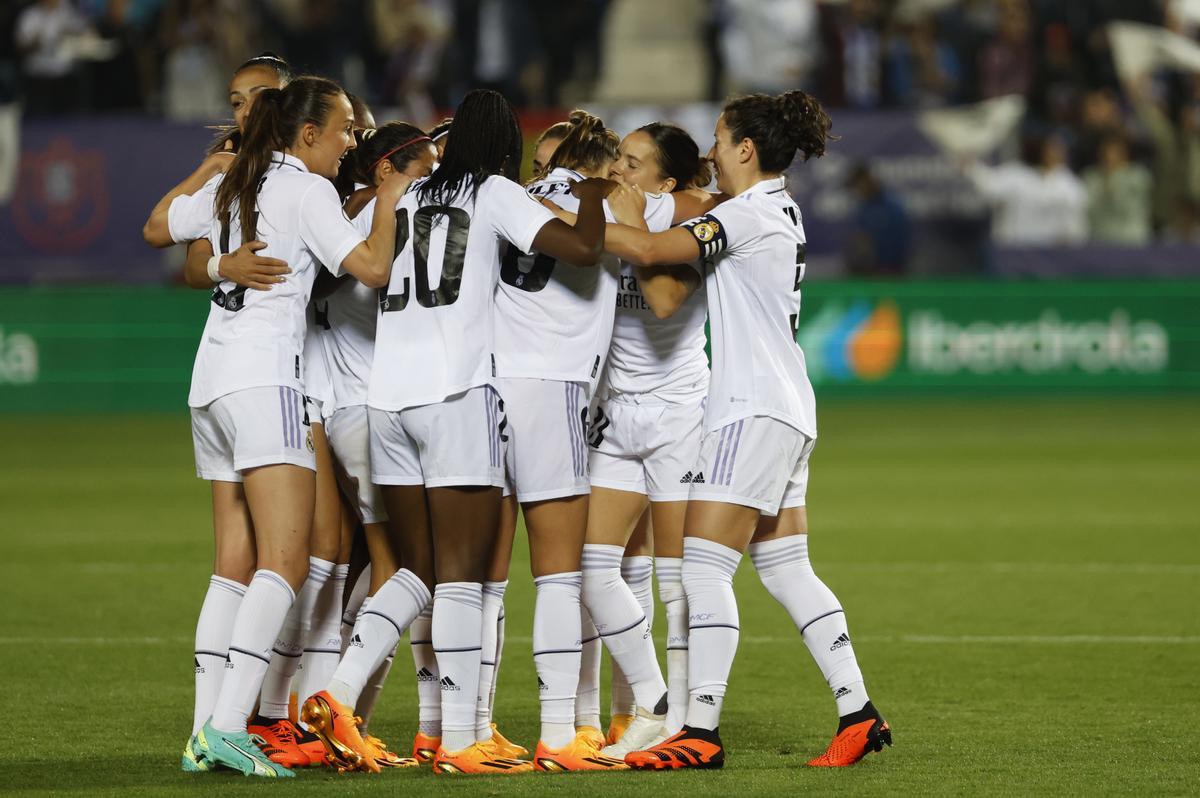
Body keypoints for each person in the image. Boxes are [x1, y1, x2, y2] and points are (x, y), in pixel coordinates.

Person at [299, 89, 614, 776]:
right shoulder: (495, 191)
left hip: (387, 401)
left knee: (421, 570)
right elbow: (586, 249)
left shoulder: (407, 195)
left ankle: (340, 691)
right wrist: (593, 188)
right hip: (455, 394)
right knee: (464, 576)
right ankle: (460, 742)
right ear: (505, 146)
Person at [595, 90, 890, 770]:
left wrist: (566, 216)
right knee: (787, 570)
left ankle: (699, 731)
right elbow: (665, 281)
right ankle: (858, 711)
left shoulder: (748, 214)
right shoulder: (776, 209)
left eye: (720, 141)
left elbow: (644, 245)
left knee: (702, 568)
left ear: (746, 150)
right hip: (787, 407)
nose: (711, 154)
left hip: (750, 411)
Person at [164, 74, 411, 777]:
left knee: (234, 566)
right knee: (286, 561)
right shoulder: (306, 190)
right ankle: (227, 727)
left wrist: (216, 262)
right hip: (267, 379)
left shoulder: (238, 177)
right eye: (342, 131)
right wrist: (388, 199)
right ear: (308, 135)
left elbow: (163, 227)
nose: (350, 144)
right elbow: (371, 265)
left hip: (210, 383)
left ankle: (201, 732)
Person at [490, 109, 636, 771]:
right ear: (603, 165)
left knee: (480, 579)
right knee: (558, 572)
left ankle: (458, 727)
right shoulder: (594, 202)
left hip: (486, 386)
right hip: (553, 388)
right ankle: (559, 732)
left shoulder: (516, 197)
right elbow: (597, 250)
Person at [578, 122, 716, 751]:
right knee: (594, 570)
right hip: (617, 413)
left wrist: (633, 226)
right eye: (618, 159)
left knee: (675, 579)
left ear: (665, 181)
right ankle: (654, 702)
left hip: (679, 416)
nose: (620, 172)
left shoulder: (697, 229)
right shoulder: (610, 209)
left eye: (634, 164)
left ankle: (686, 717)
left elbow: (662, 301)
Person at [1083, 135, 1152, 245]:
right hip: (1100, 238)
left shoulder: (1137, 176)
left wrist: (1112, 182)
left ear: (1124, 155)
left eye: (1114, 153)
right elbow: (1088, 208)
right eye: (1105, 154)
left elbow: (1126, 208)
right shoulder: (1091, 177)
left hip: (1130, 239)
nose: (1109, 158)